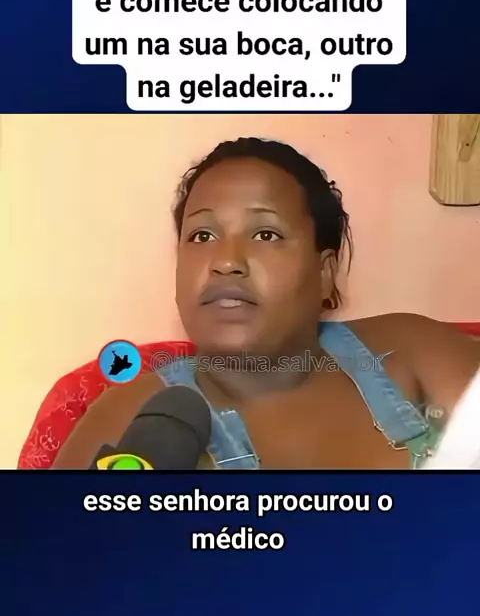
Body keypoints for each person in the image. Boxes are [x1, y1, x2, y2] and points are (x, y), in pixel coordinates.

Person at [52, 137, 479, 470]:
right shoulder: (126, 421)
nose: (226, 261)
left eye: (265, 234)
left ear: (325, 272)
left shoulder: (414, 353)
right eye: (202, 235)